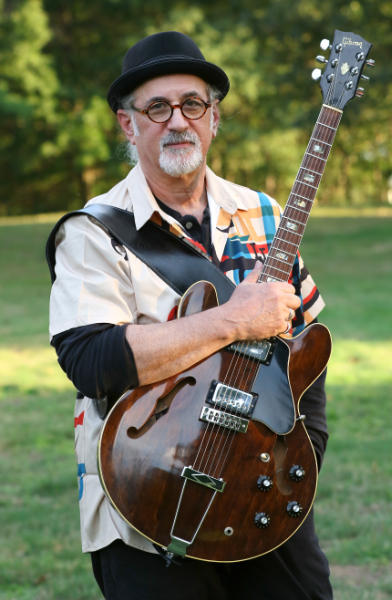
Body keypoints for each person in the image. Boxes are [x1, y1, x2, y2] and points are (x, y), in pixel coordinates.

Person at [48, 31, 332, 600]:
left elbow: (305, 345)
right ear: (128, 124)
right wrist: (233, 321)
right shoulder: (92, 233)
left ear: (214, 117)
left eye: (192, 104)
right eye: (157, 107)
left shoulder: (264, 212)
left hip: (261, 489)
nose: (178, 121)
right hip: (146, 495)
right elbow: (93, 362)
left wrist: (306, 448)